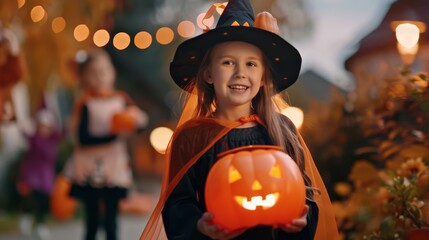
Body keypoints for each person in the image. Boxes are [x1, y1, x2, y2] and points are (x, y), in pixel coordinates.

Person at [141, 0, 340, 239]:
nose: (240, 73)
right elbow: (177, 204)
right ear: (208, 73)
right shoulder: (191, 137)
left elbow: (303, 192)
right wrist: (199, 226)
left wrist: (302, 218)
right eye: (227, 62)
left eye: (251, 64)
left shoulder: (281, 129)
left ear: (264, 76)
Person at [67, 48, 148, 240]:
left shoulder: (121, 100)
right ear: (84, 78)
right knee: (92, 219)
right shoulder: (85, 103)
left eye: (104, 70)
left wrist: (138, 122)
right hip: (90, 167)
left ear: (112, 72)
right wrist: (114, 136)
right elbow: (83, 138)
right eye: (94, 73)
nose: (100, 76)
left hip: (114, 168)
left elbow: (137, 122)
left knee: (112, 219)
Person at [17, 109, 63, 240]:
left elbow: (64, 131)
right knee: (31, 196)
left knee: (43, 200)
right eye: (41, 126)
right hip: (33, 171)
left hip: (46, 174)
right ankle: (26, 216)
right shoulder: (34, 139)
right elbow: (24, 133)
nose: (44, 129)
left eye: (47, 126)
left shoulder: (53, 139)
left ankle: (40, 225)